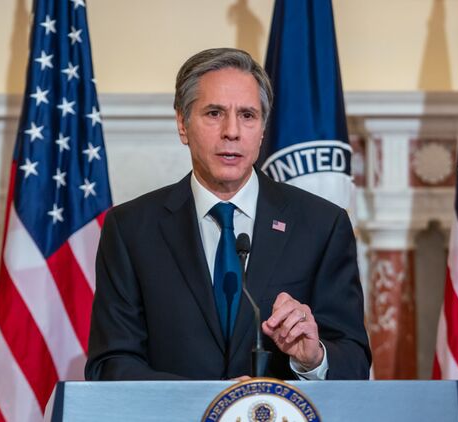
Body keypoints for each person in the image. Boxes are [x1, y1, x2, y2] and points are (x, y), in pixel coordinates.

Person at [85, 48, 370, 381]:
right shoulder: (131, 229)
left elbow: (353, 362)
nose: (232, 131)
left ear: (262, 129)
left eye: (248, 115)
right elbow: (110, 365)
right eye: (214, 113)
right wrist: (215, 401)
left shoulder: (322, 225)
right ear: (182, 124)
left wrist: (313, 358)